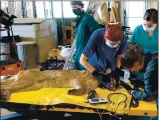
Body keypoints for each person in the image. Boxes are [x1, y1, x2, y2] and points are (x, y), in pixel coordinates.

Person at [80, 23, 128, 88]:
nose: (114, 46)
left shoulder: (122, 37)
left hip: (112, 65)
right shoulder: (97, 35)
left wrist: (117, 69)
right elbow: (82, 60)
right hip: (95, 67)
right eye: (111, 43)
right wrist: (96, 73)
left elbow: (120, 55)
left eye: (117, 44)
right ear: (105, 38)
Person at [70, 1, 100, 70]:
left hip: (85, 53)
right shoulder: (79, 19)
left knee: (85, 75)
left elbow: (97, 33)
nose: (73, 9)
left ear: (81, 6)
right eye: (72, 7)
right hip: (78, 51)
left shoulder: (88, 18)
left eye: (75, 7)